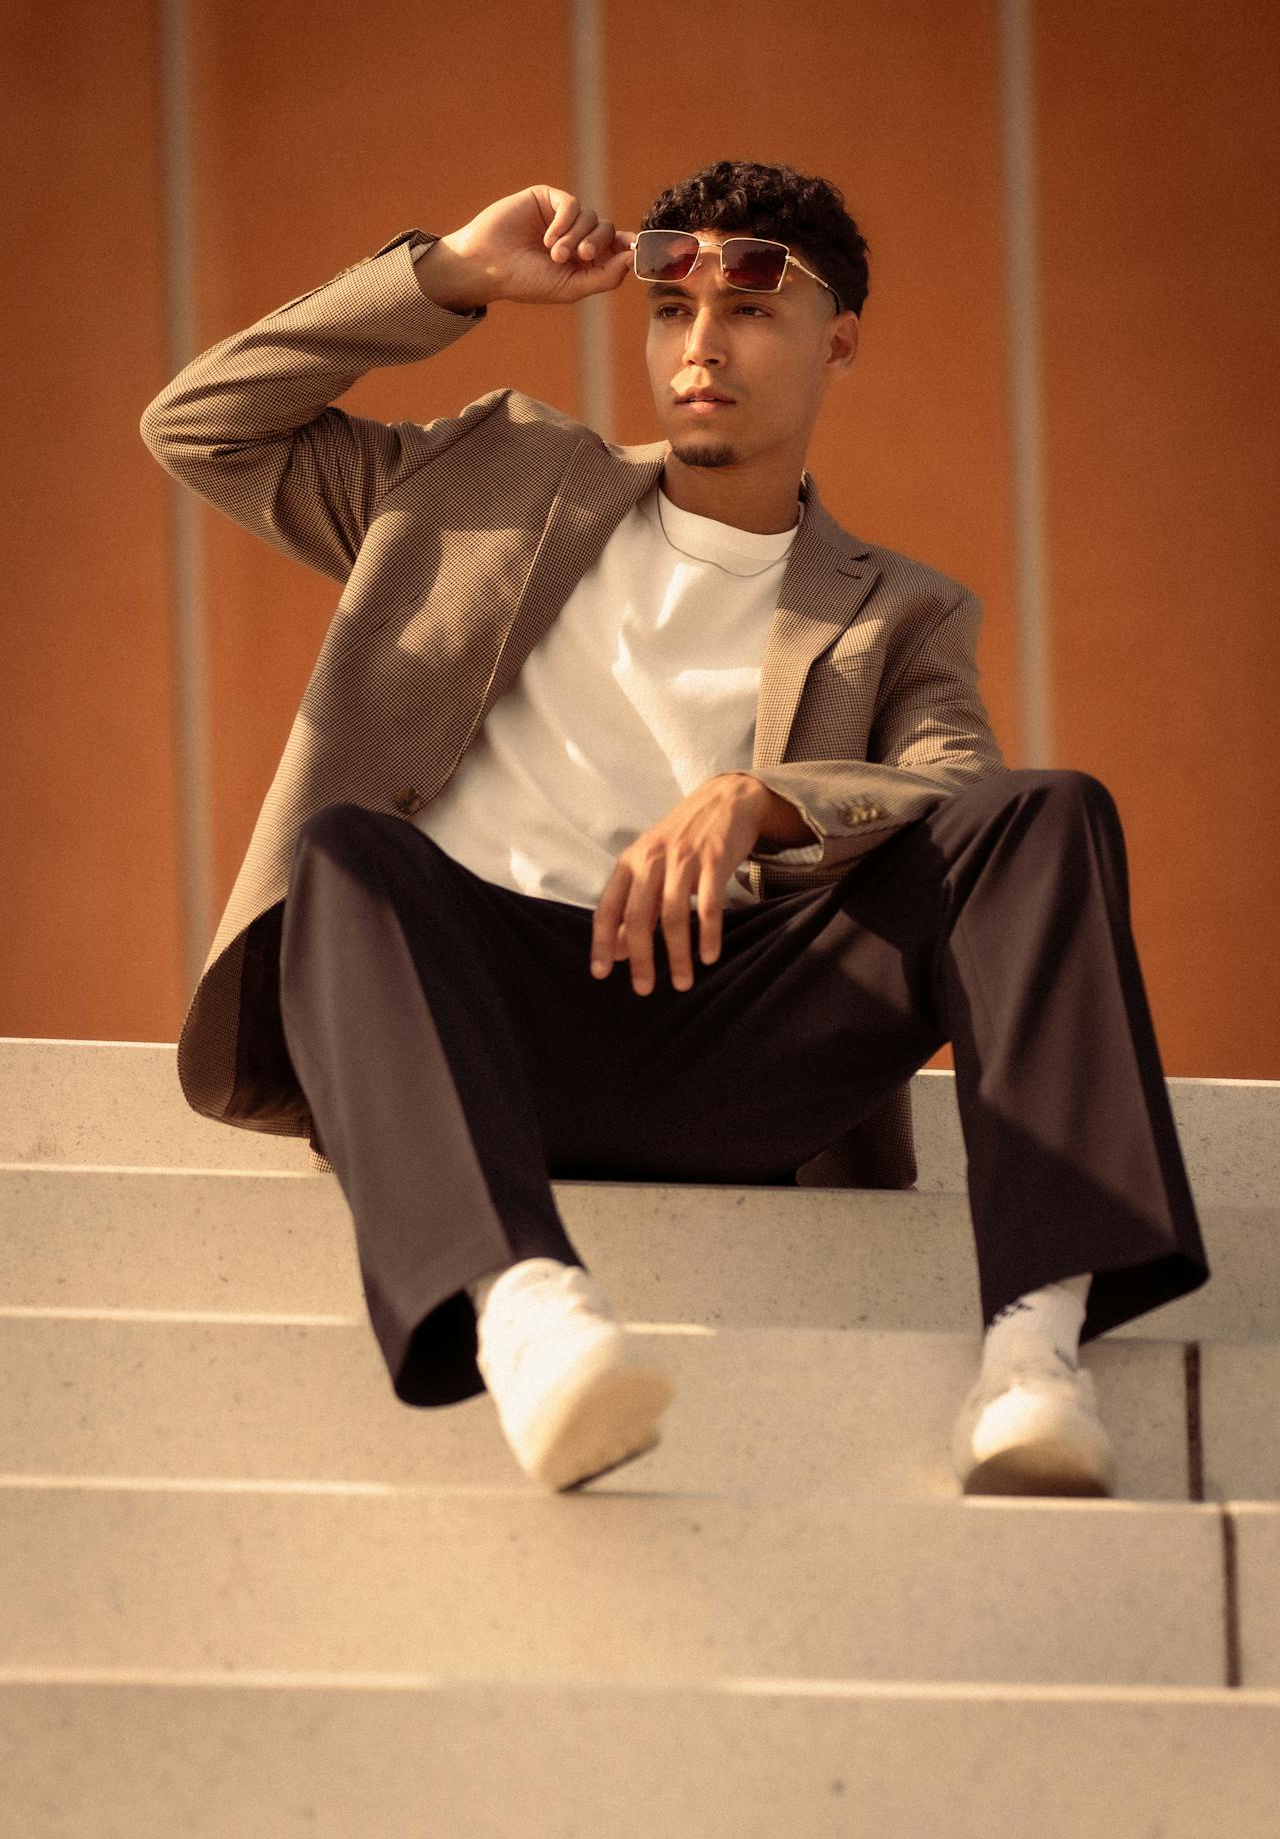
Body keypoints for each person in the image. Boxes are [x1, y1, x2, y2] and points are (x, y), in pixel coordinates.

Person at [140, 160, 1210, 1498]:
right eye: (672, 310)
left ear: (839, 342)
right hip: (480, 1018)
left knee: (1046, 811)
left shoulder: (899, 609)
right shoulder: (491, 479)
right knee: (347, 855)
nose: (701, 345)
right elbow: (202, 427)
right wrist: (451, 275)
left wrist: (767, 798)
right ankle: (528, 1315)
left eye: (752, 310)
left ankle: (1031, 1358)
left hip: (735, 1031)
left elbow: (955, 782)